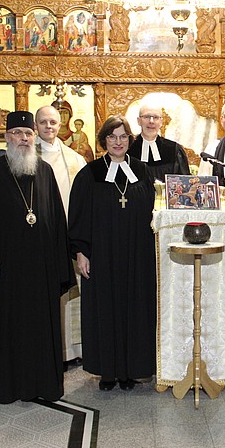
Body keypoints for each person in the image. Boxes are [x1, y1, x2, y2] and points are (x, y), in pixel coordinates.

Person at [0, 111, 75, 404]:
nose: (23, 139)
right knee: (9, 326)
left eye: (28, 133)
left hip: (42, 265)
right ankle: (8, 387)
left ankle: (44, 385)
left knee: (42, 326)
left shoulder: (43, 170)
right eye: (18, 133)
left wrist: (61, 265)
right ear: (7, 137)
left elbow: (57, 219)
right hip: (8, 265)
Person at [69, 115, 157, 391]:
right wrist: (81, 252)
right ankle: (107, 372)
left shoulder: (142, 172)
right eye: (112, 137)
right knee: (104, 310)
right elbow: (78, 215)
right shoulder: (90, 173)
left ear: (130, 140)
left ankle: (131, 370)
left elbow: (153, 212)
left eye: (123, 137)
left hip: (137, 255)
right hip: (102, 255)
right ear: (103, 140)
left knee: (134, 308)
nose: (118, 142)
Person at [35, 105, 87, 366]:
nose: (49, 127)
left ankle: (72, 350)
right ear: (36, 125)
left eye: (53, 122)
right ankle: (49, 348)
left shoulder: (75, 159)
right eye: (43, 122)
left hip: (70, 235)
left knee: (72, 294)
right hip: (40, 238)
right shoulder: (26, 155)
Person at [127, 103, 190, 182]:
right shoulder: (128, 148)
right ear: (139, 121)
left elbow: (184, 181)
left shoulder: (173, 149)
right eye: (146, 117)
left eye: (156, 117)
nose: (151, 121)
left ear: (161, 122)